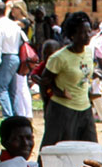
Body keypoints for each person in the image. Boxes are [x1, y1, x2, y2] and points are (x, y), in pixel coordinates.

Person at [40, 12, 97, 147]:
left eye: (89, 31)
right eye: (83, 32)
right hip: (63, 111)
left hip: (85, 109)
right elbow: (45, 81)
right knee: (57, 151)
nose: (88, 35)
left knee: (89, 150)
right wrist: (56, 93)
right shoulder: (59, 58)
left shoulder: (89, 52)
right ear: (72, 35)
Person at [0, 0, 25, 117]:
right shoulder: (13, 24)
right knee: (12, 90)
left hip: (6, 57)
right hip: (15, 56)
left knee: (2, 89)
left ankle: (8, 116)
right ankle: (15, 114)